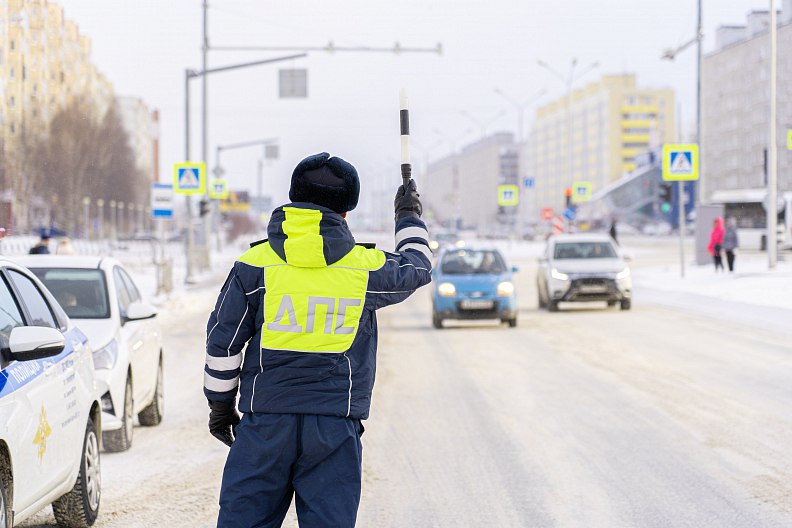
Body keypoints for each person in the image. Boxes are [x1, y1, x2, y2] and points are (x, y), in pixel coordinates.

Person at [204, 152, 432, 527]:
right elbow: (418, 265)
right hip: (333, 430)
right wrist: (408, 216)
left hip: (264, 427)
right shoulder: (363, 270)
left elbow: (223, 346)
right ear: (345, 212)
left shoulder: (254, 266)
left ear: (294, 199)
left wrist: (220, 406)